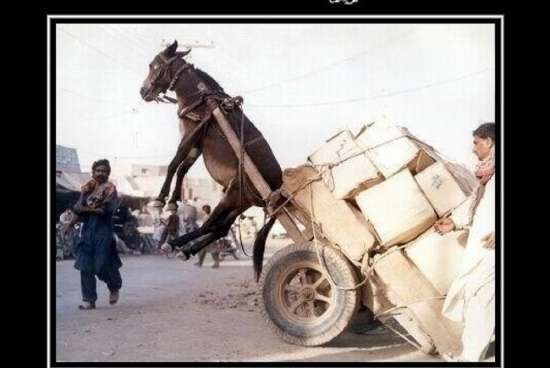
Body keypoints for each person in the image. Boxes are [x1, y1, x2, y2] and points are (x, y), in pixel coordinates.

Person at [434, 123, 496, 362]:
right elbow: (478, 208)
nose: (473, 149)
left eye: (476, 143)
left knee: (480, 298)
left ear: (489, 142)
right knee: (476, 297)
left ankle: (470, 358)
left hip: (493, 252)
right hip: (482, 250)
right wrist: (455, 223)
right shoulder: (488, 177)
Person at [72, 159, 123, 310]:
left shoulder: (110, 190)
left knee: (101, 265)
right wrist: (70, 223)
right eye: (98, 170)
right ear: (93, 172)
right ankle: (89, 300)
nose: (101, 173)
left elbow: (105, 211)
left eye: (104, 171)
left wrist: (84, 210)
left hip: (103, 231)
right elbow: (77, 208)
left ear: (108, 173)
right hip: (88, 231)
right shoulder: (87, 189)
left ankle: (114, 286)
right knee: (85, 265)